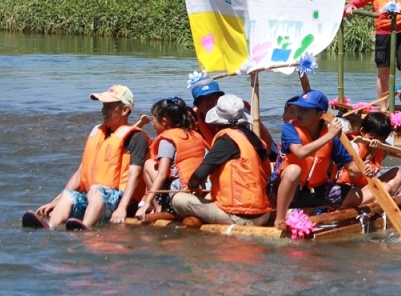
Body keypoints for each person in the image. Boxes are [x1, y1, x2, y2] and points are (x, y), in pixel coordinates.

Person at [22, 85, 151, 231]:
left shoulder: (136, 137)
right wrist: (55, 202)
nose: (103, 111)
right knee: (68, 195)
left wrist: (122, 208)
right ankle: (50, 227)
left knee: (95, 189)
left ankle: (86, 227)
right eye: (103, 106)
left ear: (125, 110)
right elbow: (80, 173)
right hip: (93, 198)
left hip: (121, 201)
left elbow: (134, 176)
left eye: (109, 107)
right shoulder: (98, 132)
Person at [268, 90, 363, 230]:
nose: (299, 113)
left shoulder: (331, 137)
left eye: (305, 110)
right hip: (285, 191)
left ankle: (311, 210)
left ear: (320, 115)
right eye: (299, 109)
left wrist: (364, 168)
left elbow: (352, 169)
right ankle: (280, 219)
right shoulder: (289, 128)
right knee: (294, 170)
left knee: (357, 195)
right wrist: (329, 135)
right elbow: (300, 153)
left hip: (314, 191)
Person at [172, 95, 274, 226]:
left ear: (217, 121)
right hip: (263, 212)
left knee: (177, 199)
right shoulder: (252, 137)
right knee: (208, 197)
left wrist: (192, 186)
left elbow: (200, 173)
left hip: (241, 216)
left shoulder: (226, 140)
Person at [137, 97, 205, 220]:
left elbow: (162, 174)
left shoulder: (167, 140)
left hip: (178, 195)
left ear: (164, 121)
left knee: (148, 164)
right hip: (197, 190)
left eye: (153, 119)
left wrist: (147, 202)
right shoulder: (196, 135)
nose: (152, 124)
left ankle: (159, 209)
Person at [337, 112, 401, 205]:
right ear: (362, 131)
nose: (375, 142)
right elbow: (353, 173)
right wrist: (371, 153)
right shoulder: (353, 146)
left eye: (380, 140)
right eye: (372, 138)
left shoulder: (380, 144)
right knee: (385, 187)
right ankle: (382, 202)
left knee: (398, 173)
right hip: (349, 191)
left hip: (364, 187)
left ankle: (382, 203)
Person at [189, 77, 225, 148]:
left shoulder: (236, 115)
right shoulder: (191, 122)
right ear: (197, 105)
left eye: (213, 96)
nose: (210, 101)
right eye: (203, 98)